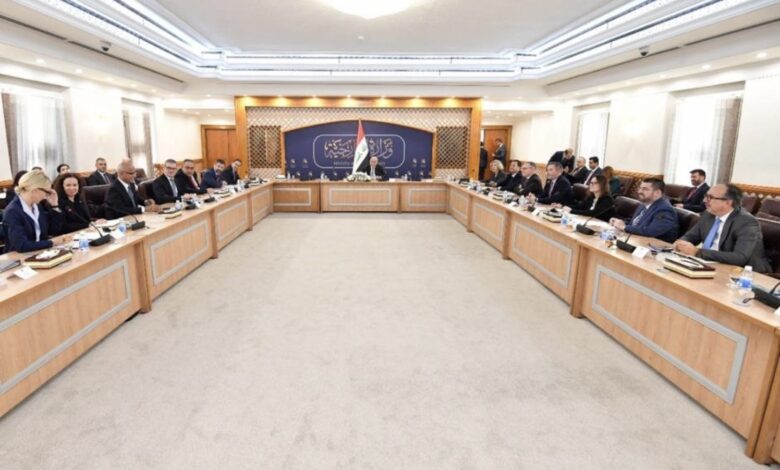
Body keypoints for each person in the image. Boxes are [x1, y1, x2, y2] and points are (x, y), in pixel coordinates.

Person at [673, 184, 771, 272]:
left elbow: (740, 257)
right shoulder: (708, 214)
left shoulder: (747, 222)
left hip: (745, 273)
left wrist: (698, 252)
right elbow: (691, 236)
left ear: (728, 202)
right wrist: (680, 243)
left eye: (710, 197)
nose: (704, 200)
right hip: (710, 264)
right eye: (706, 196)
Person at [2, 170, 67, 253]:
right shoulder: (12, 212)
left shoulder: (37, 206)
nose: (46, 196)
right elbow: (22, 245)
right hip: (18, 257)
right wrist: (51, 242)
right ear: (35, 190)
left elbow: (54, 230)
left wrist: (55, 205)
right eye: (46, 192)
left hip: (40, 252)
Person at [610, 178, 679, 243]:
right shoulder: (645, 203)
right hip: (636, 240)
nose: (639, 191)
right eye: (640, 188)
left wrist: (624, 227)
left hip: (653, 246)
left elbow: (650, 231)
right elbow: (634, 222)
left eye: (645, 189)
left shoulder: (665, 210)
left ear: (657, 193)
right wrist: (619, 222)